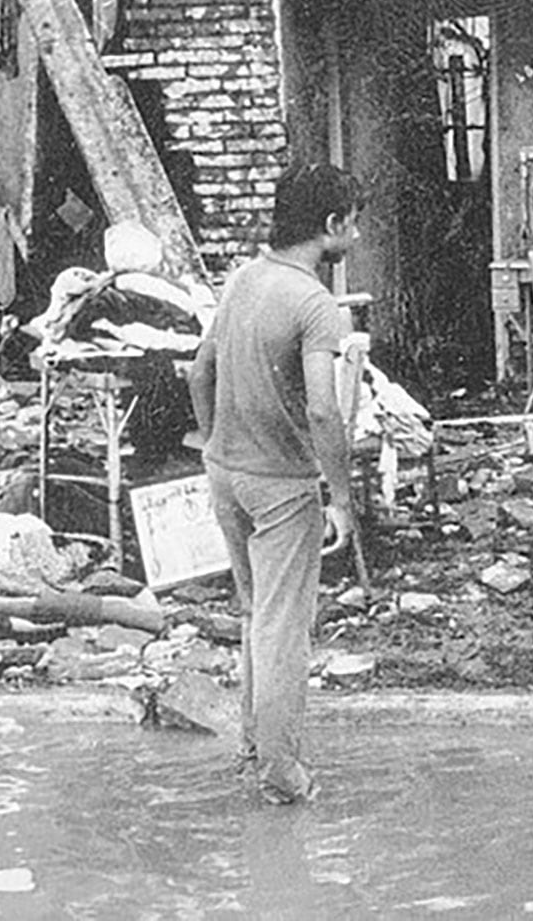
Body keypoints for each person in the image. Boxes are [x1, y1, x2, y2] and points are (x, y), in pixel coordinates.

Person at [188, 162, 363, 802]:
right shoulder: (316, 304)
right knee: (283, 628)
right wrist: (341, 496)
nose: (357, 237)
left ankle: (253, 748)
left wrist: (213, 444)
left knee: (253, 615)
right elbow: (323, 408)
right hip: (282, 483)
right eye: (353, 223)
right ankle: (282, 773)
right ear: (330, 225)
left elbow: (198, 371)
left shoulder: (243, 278)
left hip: (225, 474)